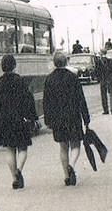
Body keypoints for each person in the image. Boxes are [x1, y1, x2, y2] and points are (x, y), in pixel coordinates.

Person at [0, 55, 38, 189]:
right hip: (19, 119)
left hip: (4, 121)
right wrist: (33, 118)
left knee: (9, 149)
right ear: (14, 65)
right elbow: (29, 101)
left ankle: (14, 177)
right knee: (22, 147)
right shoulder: (20, 81)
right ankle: (19, 170)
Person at [43, 52, 90, 186]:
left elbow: (46, 102)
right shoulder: (73, 78)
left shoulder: (49, 79)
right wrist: (86, 118)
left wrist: (48, 120)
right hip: (73, 116)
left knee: (63, 146)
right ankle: (72, 165)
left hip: (57, 119)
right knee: (75, 144)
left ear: (54, 63)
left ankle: (66, 176)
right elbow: (81, 99)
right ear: (66, 62)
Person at [96, 50, 112, 115]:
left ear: (101, 53)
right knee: (111, 94)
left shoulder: (98, 61)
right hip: (110, 79)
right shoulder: (111, 61)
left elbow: (97, 71)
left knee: (103, 95)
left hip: (103, 79)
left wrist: (98, 79)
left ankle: (106, 110)